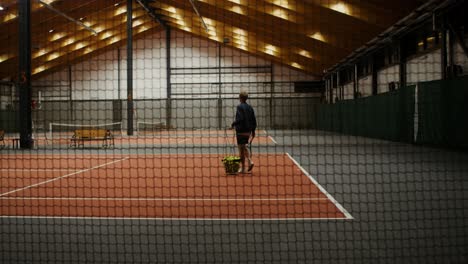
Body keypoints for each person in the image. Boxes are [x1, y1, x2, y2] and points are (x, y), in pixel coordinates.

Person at [231, 90, 257, 173]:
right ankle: (249, 162)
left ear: (240, 98)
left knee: (240, 149)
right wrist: (253, 131)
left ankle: (244, 167)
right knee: (244, 147)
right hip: (248, 131)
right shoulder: (250, 107)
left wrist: (233, 124)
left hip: (241, 131)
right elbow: (254, 120)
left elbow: (240, 119)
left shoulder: (239, 107)